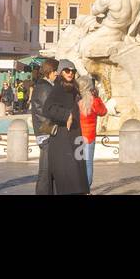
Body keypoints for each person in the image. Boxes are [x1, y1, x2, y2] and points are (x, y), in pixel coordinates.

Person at [40, 63, 89, 195]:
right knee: (68, 176)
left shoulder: (73, 88)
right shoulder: (59, 88)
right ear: (61, 72)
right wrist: (66, 114)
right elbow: (47, 109)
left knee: (78, 172)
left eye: (72, 70)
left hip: (75, 135)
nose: (70, 73)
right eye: (67, 70)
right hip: (62, 138)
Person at [30, 59, 58, 194]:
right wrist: (55, 128)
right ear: (50, 71)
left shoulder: (44, 86)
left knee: (48, 169)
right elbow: (45, 112)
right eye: (56, 70)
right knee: (45, 171)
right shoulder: (45, 87)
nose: (57, 73)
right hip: (47, 133)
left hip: (44, 132)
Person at [77, 75, 108, 188]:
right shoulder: (93, 101)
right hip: (89, 137)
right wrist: (98, 97)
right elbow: (103, 111)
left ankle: (79, 186)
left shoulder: (76, 100)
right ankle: (87, 187)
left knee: (79, 163)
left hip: (78, 136)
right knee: (88, 163)